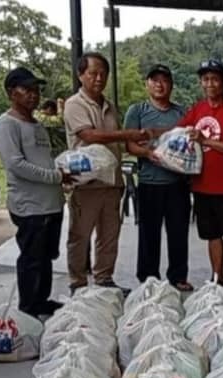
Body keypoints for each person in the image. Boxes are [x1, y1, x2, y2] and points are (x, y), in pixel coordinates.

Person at [63, 51, 150, 294]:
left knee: (109, 235)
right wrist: (128, 134)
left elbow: (116, 142)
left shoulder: (109, 106)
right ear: (81, 75)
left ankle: (104, 279)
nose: (99, 78)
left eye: (103, 74)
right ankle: (78, 284)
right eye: (93, 73)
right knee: (80, 235)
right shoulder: (74, 104)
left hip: (111, 182)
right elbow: (90, 135)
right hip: (86, 183)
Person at [0, 67, 75, 319]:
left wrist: (61, 176)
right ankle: (28, 309)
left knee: (46, 256)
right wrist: (55, 177)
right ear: (11, 93)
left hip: (50, 203)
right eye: (26, 89)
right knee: (32, 258)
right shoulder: (7, 124)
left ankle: (42, 301)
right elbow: (16, 164)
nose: (33, 95)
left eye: (36, 90)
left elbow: (44, 160)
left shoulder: (37, 124)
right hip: (29, 205)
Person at [178, 59, 223, 290]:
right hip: (202, 185)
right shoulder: (197, 110)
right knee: (212, 235)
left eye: (215, 79)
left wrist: (206, 141)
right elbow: (179, 132)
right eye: (205, 79)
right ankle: (218, 276)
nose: (210, 84)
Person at [123, 64, 193, 291]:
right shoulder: (137, 111)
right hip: (149, 182)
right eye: (155, 80)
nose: (159, 85)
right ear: (147, 84)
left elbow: (189, 143)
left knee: (179, 233)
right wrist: (147, 153)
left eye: (164, 80)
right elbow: (129, 145)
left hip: (177, 183)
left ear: (171, 85)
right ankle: (148, 277)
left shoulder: (181, 113)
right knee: (148, 233)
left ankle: (178, 276)